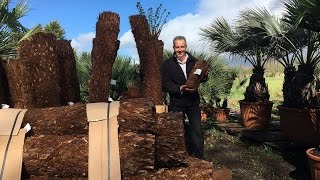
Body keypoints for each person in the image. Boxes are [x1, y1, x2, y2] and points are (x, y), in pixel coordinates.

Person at [162, 35, 206, 159]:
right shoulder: (168, 64)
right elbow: (166, 84)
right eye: (177, 47)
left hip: (193, 102)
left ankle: (199, 158)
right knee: (177, 131)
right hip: (177, 102)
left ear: (186, 47)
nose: (180, 49)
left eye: (182, 46)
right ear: (174, 48)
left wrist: (204, 74)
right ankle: (178, 158)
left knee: (197, 130)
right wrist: (179, 88)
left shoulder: (195, 62)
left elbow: (202, 78)